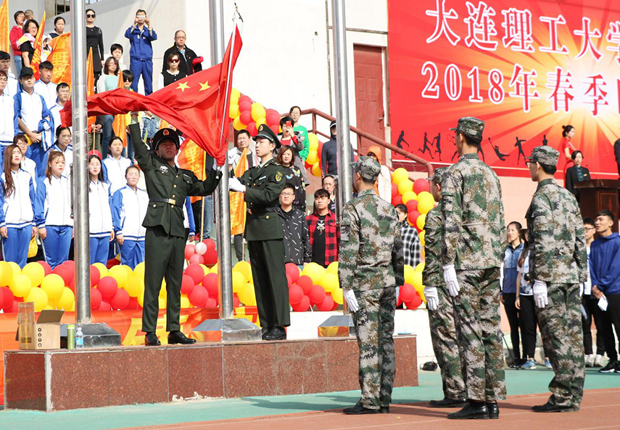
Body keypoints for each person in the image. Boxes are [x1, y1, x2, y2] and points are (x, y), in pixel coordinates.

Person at [128, 123, 221, 346]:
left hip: (178, 230)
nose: (169, 147)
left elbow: (205, 188)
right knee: (153, 282)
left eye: (172, 144)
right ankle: (150, 331)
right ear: (157, 149)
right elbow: (139, 148)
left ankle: (174, 329)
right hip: (158, 228)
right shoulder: (151, 166)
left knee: (175, 283)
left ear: (178, 149)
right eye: (164, 144)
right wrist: (134, 121)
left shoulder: (185, 175)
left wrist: (215, 165)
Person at [442, 117, 506, 420]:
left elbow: (451, 220)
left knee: (469, 330)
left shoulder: (455, 173)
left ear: (460, 137)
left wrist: (447, 262)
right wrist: (499, 256)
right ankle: (493, 399)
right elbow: (500, 219)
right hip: (491, 261)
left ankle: (477, 400)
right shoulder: (491, 174)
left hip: (467, 262)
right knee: (491, 329)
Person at [339, 156, 404, 415]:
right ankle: (384, 397)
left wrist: (346, 285)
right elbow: (398, 248)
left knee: (368, 343)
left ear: (358, 176)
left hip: (365, 285)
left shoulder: (353, 208)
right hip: (387, 283)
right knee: (385, 340)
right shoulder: (389, 208)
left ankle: (370, 400)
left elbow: (349, 249)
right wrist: (398, 280)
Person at [525, 145, 587, 413]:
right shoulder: (568, 197)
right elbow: (580, 238)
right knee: (573, 337)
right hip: (570, 276)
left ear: (538, 165)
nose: (529, 167)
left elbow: (542, 239)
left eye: (530, 163)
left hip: (551, 278)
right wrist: (582, 273)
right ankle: (573, 394)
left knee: (555, 336)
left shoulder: (542, 198)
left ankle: (562, 395)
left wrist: (539, 278)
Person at [228, 124, 288, 341]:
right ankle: (266, 324)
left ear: (272, 146)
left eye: (262, 141)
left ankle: (279, 325)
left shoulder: (276, 170)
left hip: (269, 228)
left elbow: (269, 195)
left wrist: (244, 189)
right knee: (260, 280)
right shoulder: (253, 171)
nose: (258, 145)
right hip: (253, 229)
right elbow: (234, 181)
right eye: (257, 141)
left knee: (275, 279)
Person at [422, 167, 467, 409]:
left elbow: (432, 251)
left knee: (445, 337)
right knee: (464, 336)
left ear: (439, 187)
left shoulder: (436, 214)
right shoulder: (465, 211)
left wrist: (430, 282)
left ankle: (455, 391)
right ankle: (470, 389)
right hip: (465, 282)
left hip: (441, 282)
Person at [590, 210, 620, 374]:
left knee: (618, 326)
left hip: (615, 291)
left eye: (601, 219)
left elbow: (616, 267)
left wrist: (600, 285)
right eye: (596, 219)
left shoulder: (618, 242)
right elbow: (591, 268)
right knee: (603, 328)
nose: (597, 222)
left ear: (611, 223)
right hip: (599, 293)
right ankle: (612, 360)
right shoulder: (595, 244)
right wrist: (595, 286)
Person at [0, 144, 36, 267]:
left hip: (26, 224)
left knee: (22, 261)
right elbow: (0, 202)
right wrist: (2, 223)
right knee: (10, 263)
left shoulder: (27, 176)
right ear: (8, 156)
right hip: (10, 224)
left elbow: (32, 200)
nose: (16, 155)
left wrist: (34, 223)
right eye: (13, 152)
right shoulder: (3, 177)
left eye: (18, 152)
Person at [34, 151, 72, 269]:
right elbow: (39, 203)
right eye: (57, 162)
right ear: (50, 164)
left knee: (63, 261)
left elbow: (72, 204)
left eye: (63, 162)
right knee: (51, 261)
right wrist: (41, 224)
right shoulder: (44, 181)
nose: (60, 165)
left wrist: (73, 224)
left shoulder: (68, 181)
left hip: (67, 225)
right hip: (50, 225)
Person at [15, 67, 52, 176]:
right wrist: (30, 134)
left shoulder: (39, 97)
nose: (29, 80)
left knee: (41, 171)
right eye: (25, 78)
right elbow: (17, 118)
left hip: (40, 139)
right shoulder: (18, 97)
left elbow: (47, 116)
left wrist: (41, 133)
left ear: (34, 78)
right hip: (25, 139)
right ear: (21, 81)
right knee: (25, 170)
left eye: (30, 77)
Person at [227, 130, 256, 260]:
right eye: (239, 139)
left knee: (251, 226)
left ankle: (253, 258)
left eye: (244, 138)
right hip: (238, 194)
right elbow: (230, 175)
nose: (242, 141)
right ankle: (241, 259)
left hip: (252, 193)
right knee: (238, 228)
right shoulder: (233, 155)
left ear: (249, 140)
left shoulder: (256, 155)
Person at [112, 165, 149, 269]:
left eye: (136, 174)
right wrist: (118, 231)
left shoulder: (144, 194)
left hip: (142, 236)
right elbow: (115, 212)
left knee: (141, 265)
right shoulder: (120, 193)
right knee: (126, 265)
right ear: (126, 176)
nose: (133, 176)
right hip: (126, 235)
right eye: (131, 174)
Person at [581, 218, 606, 368]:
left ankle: (600, 354)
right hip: (583, 292)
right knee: (585, 325)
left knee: (601, 324)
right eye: (583, 229)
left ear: (594, 230)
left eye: (587, 229)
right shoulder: (579, 248)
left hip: (597, 291)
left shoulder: (598, 247)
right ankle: (589, 353)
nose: (585, 232)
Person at [501, 221, 525, 368]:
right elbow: (501, 271)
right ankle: (516, 357)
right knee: (513, 326)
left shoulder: (524, 249)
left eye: (512, 230)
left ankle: (526, 357)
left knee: (524, 325)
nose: (509, 233)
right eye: (508, 230)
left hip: (521, 293)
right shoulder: (505, 250)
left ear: (519, 232)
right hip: (507, 292)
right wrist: (501, 290)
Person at [88, 153, 114, 265]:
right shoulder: (84, 186)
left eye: (97, 164)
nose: (95, 167)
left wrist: (111, 227)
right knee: (90, 263)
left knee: (102, 264)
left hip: (105, 230)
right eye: (92, 164)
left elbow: (109, 208)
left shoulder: (105, 186)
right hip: (91, 231)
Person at [125, 9, 157, 95]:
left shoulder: (147, 30)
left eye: (142, 16)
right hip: (136, 60)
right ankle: (134, 100)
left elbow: (154, 37)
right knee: (133, 83)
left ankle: (148, 100)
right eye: (139, 16)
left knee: (148, 83)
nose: (140, 18)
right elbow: (127, 34)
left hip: (147, 60)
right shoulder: (133, 30)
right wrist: (134, 24)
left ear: (146, 17)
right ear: (136, 17)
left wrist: (149, 25)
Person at [277, 184, 310, 266]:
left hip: (297, 261)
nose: (286, 196)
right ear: (279, 196)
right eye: (283, 193)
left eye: (288, 194)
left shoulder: (300, 215)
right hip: (278, 262)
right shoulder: (274, 215)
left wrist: (307, 259)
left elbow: (305, 238)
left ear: (293, 197)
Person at [307, 188, 339, 268]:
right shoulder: (308, 219)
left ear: (328, 201)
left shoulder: (335, 219)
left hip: (331, 261)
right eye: (317, 198)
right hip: (313, 262)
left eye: (322, 198)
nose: (319, 201)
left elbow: (340, 241)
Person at [279, 116, 308, 186]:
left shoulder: (296, 138)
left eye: (289, 126)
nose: (287, 128)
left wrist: (293, 136)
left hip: (295, 169)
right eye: (285, 126)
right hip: (282, 170)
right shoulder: (277, 139)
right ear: (281, 128)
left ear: (292, 128)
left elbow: (300, 147)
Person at [277, 146, 305, 211]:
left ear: (292, 156)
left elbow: (302, 189)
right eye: (284, 154)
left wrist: (303, 207)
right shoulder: (276, 170)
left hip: (295, 206)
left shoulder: (297, 170)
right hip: (279, 207)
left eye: (288, 154)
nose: (286, 156)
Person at [394, 204, 422, 268]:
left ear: (406, 215)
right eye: (395, 213)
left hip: (406, 269)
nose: (397, 215)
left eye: (399, 213)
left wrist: (414, 270)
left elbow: (415, 253)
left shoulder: (411, 231)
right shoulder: (389, 230)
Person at [0, 71, 18, 162]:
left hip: (9, 142)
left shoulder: (10, 100)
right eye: (0, 79)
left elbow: (15, 120)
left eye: (4, 79)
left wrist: (14, 136)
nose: (3, 81)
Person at [85, 9, 105, 80]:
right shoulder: (82, 29)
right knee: (86, 72)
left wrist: (102, 58)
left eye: (92, 15)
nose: (90, 17)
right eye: (88, 15)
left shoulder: (98, 30)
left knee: (97, 73)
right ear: (85, 17)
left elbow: (101, 44)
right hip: (86, 53)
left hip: (95, 53)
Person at [10, 11, 25, 76]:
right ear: (16, 19)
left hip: (27, 54)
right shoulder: (14, 30)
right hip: (18, 54)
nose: (22, 18)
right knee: (20, 75)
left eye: (23, 16)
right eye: (20, 16)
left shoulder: (27, 29)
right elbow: (13, 43)